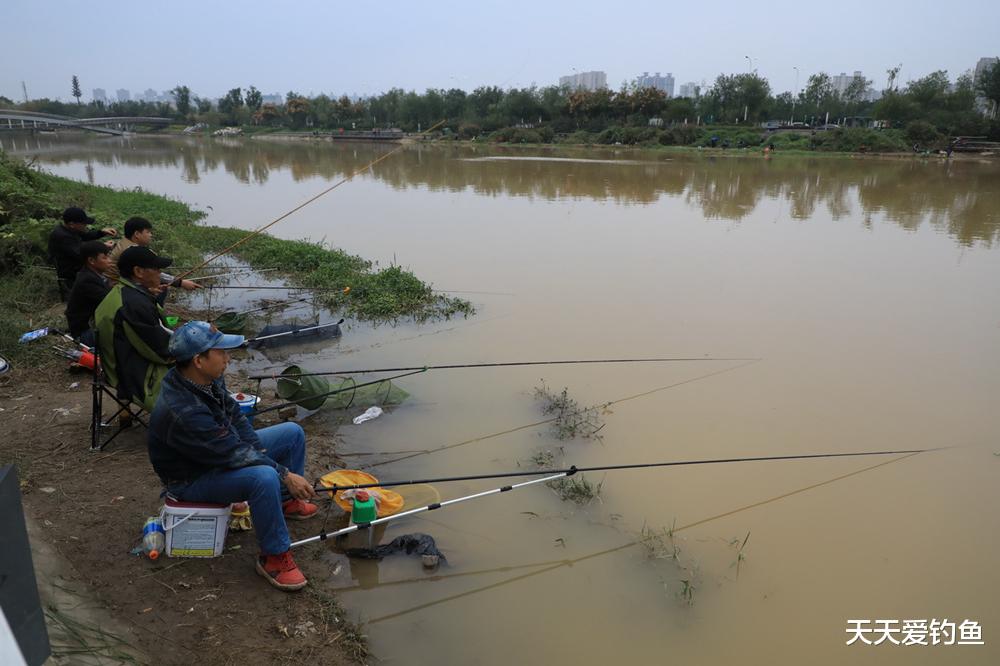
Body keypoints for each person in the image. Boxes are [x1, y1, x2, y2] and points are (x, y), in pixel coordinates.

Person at [148, 321, 318, 591]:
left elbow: (235, 417)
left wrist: (258, 450)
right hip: (192, 478)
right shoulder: (184, 411)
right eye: (221, 352)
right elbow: (231, 453)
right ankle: (273, 557)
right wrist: (283, 474)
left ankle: (285, 503)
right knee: (264, 477)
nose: (228, 358)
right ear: (198, 360)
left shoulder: (205, 379)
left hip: (215, 454)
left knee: (292, 433)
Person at [93, 246, 175, 411]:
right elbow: (162, 350)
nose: (160, 273)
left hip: (115, 366)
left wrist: (147, 295)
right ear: (138, 271)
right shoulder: (135, 304)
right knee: (203, 366)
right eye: (157, 269)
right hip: (132, 376)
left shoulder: (121, 292)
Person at [107, 217, 201, 293]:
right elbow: (149, 271)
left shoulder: (125, 242)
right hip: (116, 286)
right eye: (148, 232)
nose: (151, 235)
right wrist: (180, 283)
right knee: (159, 293)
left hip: (118, 284)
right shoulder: (131, 251)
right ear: (137, 234)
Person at [48, 207, 117, 300]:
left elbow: (86, 236)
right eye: (84, 224)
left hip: (76, 267)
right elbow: (80, 253)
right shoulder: (62, 236)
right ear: (72, 224)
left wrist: (101, 232)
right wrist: (103, 246)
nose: (86, 226)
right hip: (70, 272)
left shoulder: (70, 230)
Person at [64, 241, 113, 345]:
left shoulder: (93, 275)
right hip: (85, 332)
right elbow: (111, 302)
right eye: (105, 258)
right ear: (91, 260)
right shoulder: (87, 281)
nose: (109, 261)